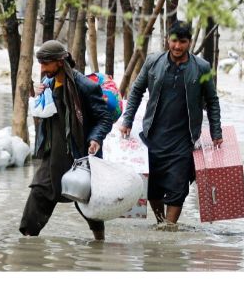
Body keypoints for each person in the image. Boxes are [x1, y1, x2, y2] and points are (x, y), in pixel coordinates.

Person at [119, 21, 223, 230]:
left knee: (178, 188)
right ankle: (161, 224)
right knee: (154, 189)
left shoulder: (201, 67)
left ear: (190, 42)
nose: (177, 46)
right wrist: (127, 120)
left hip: (184, 139)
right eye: (174, 41)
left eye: (182, 42)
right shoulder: (152, 62)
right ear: (168, 40)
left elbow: (212, 101)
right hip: (153, 135)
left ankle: (168, 228)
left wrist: (216, 132)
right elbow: (136, 91)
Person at [19, 40, 113, 241]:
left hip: (79, 155)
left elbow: (103, 118)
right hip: (53, 156)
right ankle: (27, 245)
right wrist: (38, 96)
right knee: (38, 195)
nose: (43, 69)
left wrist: (95, 139)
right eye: (41, 64)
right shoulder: (49, 85)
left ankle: (100, 243)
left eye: (46, 64)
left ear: (60, 62)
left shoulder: (86, 87)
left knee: (87, 203)